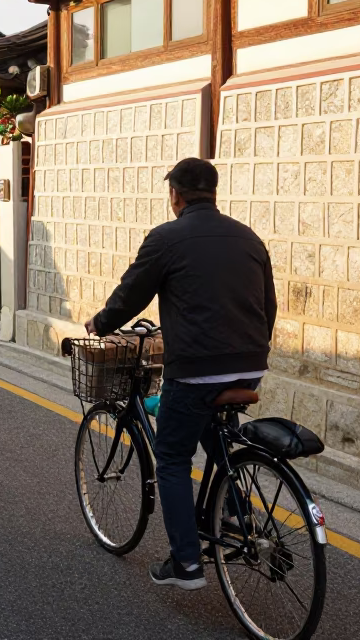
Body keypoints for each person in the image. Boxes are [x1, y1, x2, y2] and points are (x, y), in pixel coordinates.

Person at [85, 158, 276, 591]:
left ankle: (187, 564)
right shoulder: (249, 237)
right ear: (214, 191)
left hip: (195, 371)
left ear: (175, 195)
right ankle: (236, 510)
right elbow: (269, 304)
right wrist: (252, 352)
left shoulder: (167, 237)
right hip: (249, 365)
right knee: (209, 426)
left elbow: (132, 292)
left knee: (171, 458)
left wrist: (101, 323)